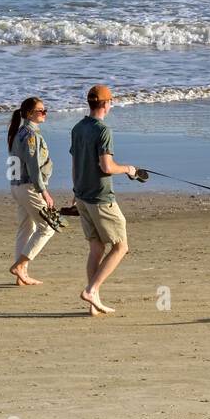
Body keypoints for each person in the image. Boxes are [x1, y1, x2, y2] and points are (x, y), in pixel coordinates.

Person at [70, 84, 137, 317]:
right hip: (100, 197)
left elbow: (75, 164)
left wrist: (75, 191)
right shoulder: (102, 130)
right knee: (121, 246)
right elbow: (106, 167)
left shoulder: (78, 128)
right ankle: (92, 290)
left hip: (82, 195)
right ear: (107, 104)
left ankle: (93, 301)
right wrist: (128, 169)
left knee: (96, 247)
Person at [7, 96, 55, 286]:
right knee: (47, 227)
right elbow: (34, 167)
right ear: (29, 114)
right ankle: (20, 265)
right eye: (41, 110)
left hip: (16, 186)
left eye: (45, 110)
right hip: (29, 187)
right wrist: (44, 192)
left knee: (26, 228)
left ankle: (22, 275)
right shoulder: (31, 136)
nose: (44, 113)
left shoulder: (18, 133)